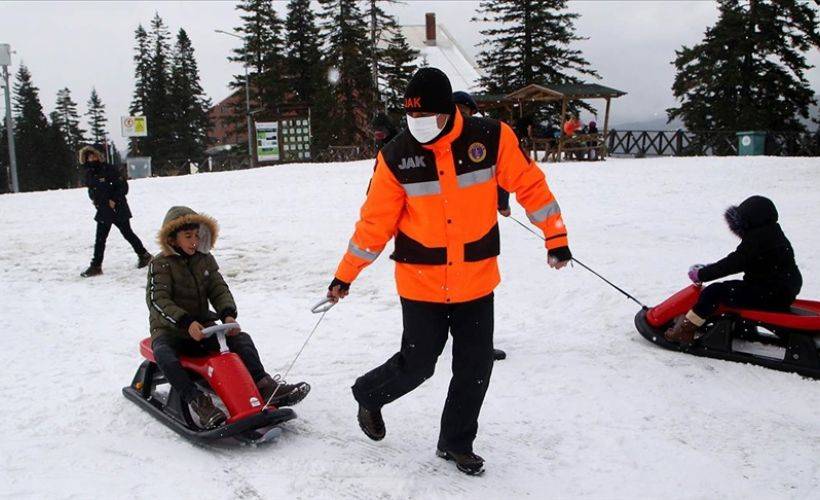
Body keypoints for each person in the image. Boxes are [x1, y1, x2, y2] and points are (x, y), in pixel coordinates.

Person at [326, 68, 572, 475]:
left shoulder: (490, 138)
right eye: (411, 117)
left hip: (476, 279)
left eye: (427, 117)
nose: (418, 125)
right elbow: (374, 224)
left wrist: (556, 236)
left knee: (475, 368)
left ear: (449, 111)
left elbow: (530, 185)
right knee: (419, 364)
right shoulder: (395, 156)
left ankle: (456, 442)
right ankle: (368, 394)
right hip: (421, 283)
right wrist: (345, 275)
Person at [147, 206, 310, 428]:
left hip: (204, 327)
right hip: (171, 331)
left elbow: (218, 289)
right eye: (188, 236)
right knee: (165, 355)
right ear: (172, 239)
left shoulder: (204, 260)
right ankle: (198, 401)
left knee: (241, 340)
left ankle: (264, 385)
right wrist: (185, 322)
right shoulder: (160, 264)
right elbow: (158, 300)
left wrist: (227, 315)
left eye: (196, 236)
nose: (194, 241)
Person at [665, 196, 802, 345]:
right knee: (732, 289)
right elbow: (740, 261)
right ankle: (742, 328)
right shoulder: (773, 233)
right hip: (782, 291)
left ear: (750, 221)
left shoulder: (757, 240)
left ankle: (685, 331)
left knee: (714, 292)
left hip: (767, 293)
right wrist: (710, 268)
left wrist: (702, 274)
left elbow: (733, 263)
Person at [454, 90, 508, 362]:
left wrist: (502, 202)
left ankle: (480, 344)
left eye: (466, 112)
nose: (462, 117)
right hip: (447, 232)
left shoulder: (484, 138)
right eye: (458, 111)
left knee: (479, 291)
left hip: (480, 231)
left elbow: (502, 174)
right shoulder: (438, 141)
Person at [79, 146, 152, 277]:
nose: (92, 159)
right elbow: (92, 188)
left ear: (99, 156)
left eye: (94, 156)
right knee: (101, 238)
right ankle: (96, 265)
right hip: (103, 209)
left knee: (127, 233)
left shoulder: (109, 169)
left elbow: (123, 186)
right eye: (89, 157)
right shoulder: (89, 172)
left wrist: (113, 200)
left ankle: (144, 255)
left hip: (118, 208)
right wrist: (94, 199)